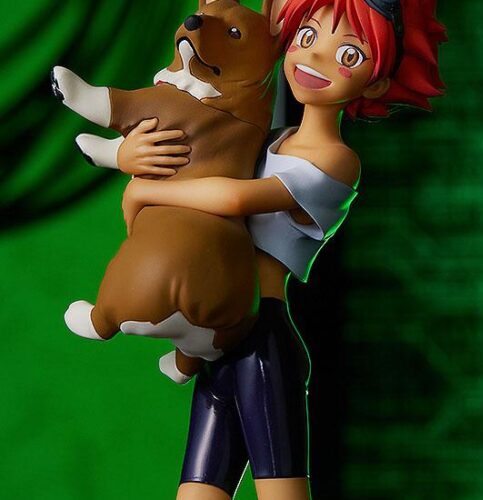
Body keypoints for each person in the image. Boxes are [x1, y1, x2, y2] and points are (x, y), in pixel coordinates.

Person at [117, 1, 446, 498]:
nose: (314, 58)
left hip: (262, 345)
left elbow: (233, 198)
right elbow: (194, 170)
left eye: (349, 55)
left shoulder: (336, 162)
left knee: (282, 493)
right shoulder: (268, 140)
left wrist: (147, 191)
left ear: (377, 83)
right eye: (307, 37)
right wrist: (129, 156)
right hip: (223, 341)